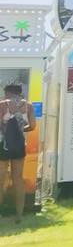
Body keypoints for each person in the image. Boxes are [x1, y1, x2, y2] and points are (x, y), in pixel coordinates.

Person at [0, 83, 36, 222]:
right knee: (18, 179)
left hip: (3, 145)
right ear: (19, 93)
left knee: (1, 179)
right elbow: (32, 126)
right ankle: (19, 214)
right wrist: (19, 131)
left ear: (7, 92)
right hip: (19, 145)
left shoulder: (2, 104)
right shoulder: (28, 106)